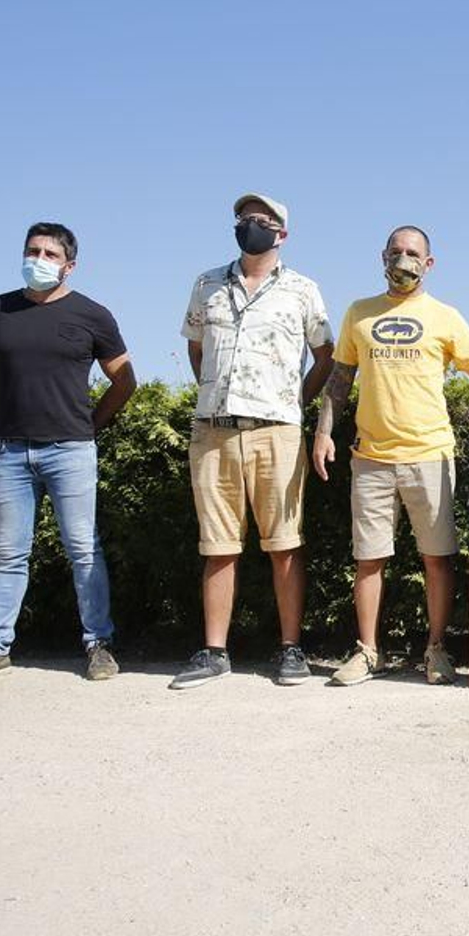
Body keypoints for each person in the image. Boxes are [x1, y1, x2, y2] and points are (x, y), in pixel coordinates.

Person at [313, 225, 469, 686]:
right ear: (381, 256)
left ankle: (436, 650)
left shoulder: (446, 317)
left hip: (431, 454)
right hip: (370, 458)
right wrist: (323, 432)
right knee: (368, 560)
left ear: (429, 264)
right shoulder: (358, 313)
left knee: (438, 559)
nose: (403, 259)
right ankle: (367, 652)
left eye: (413, 253)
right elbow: (339, 379)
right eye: (395, 251)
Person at [0, 222, 136, 685]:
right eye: (34, 250)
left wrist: (90, 425)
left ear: (69, 265)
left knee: (84, 549)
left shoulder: (93, 315)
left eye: (51, 254)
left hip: (72, 450)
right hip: (11, 451)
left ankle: (99, 645)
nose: (39, 259)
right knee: (8, 552)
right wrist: (14, 417)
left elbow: (124, 380)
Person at [170, 193, 334, 690]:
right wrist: (218, 394)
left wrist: (292, 403)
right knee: (217, 547)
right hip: (213, 430)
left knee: (285, 544)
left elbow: (323, 357)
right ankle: (214, 651)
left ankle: (291, 649)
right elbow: (197, 350)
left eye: (261, 220)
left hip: (277, 430)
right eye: (243, 218)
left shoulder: (304, 290)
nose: (250, 225)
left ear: (282, 233)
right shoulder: (207, 284)